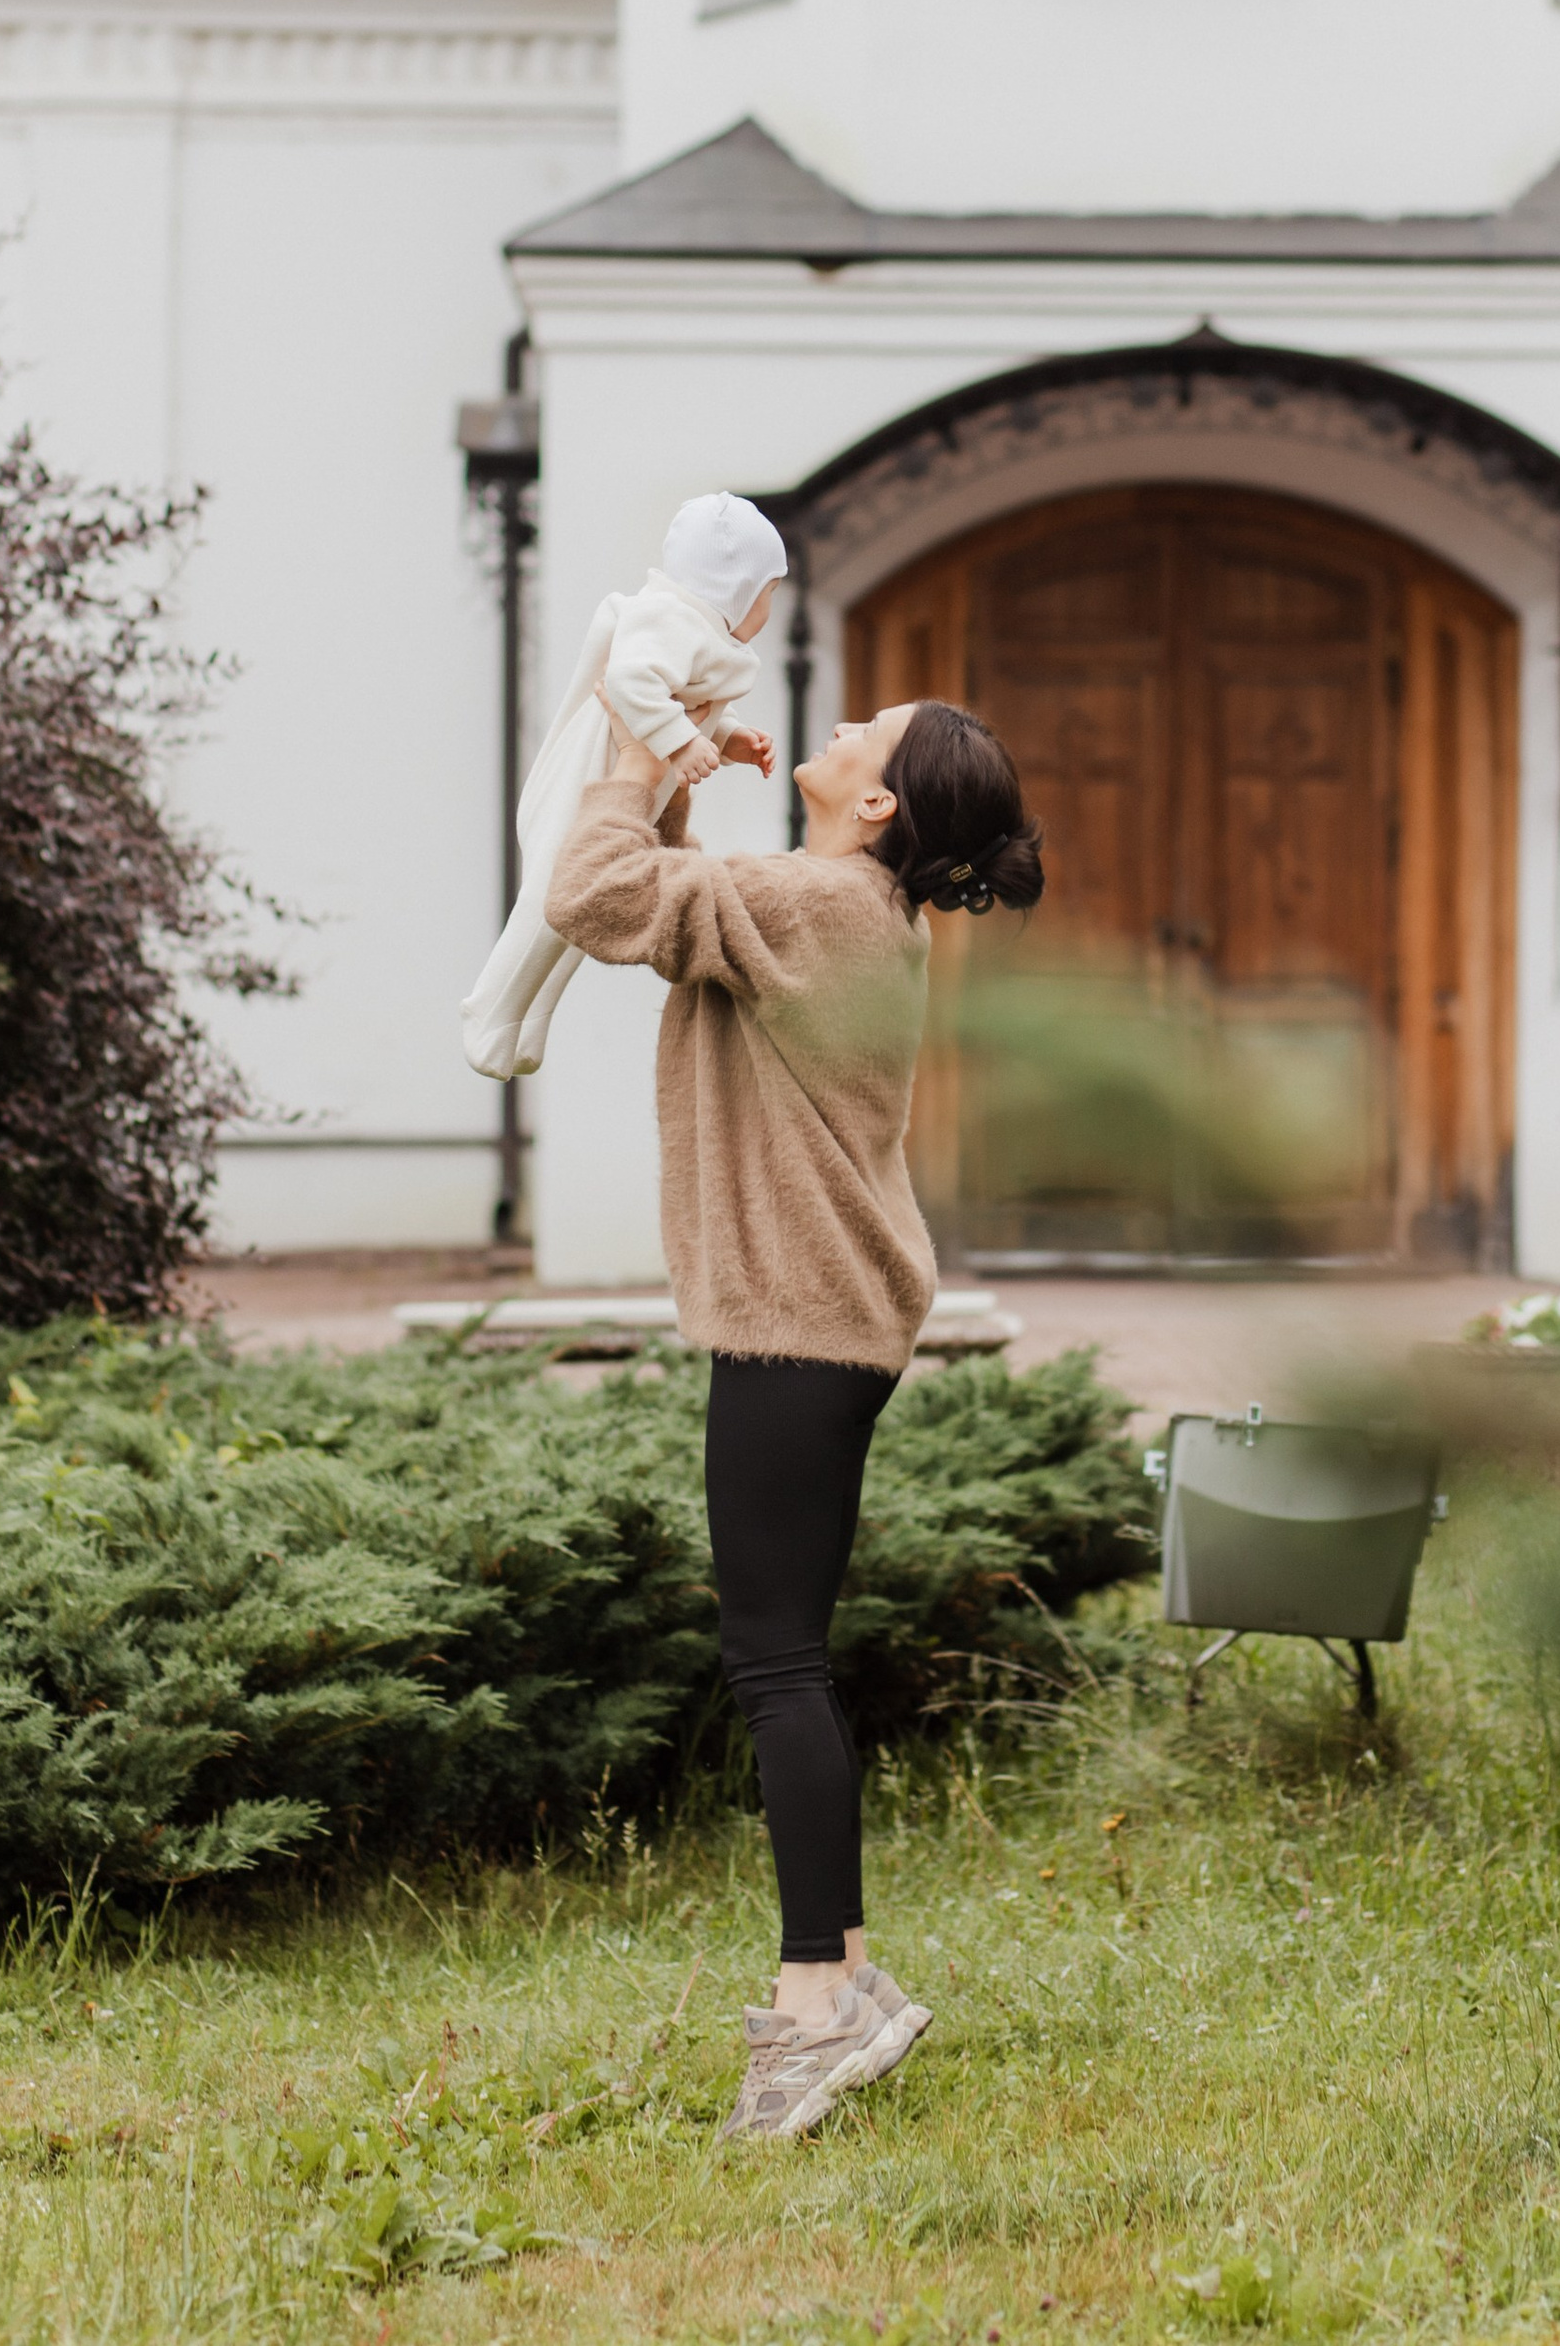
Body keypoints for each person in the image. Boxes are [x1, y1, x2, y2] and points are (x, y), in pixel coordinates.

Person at [545, 689, 1045, 2142]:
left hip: (801, 1317)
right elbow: (684, 908)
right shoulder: (840, 909)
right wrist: (682, 787)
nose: (836, 728)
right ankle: (857, 1979)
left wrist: (643, 757)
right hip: (824, 1311)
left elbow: (598, 896)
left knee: (775, 1667)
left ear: (878, 806)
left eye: (865, 733)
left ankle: (814, 2010)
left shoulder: (823, 906)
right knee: (785, 1658)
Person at [461, 491, 788, 1081]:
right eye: (767, 592)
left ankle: (529, 1018)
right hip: (588, 781)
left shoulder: (699, 635)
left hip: (624, 790)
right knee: (549, 898)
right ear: (736, 587)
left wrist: (727, 738)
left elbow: (682, 698)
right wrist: (683, 743)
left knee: (579, 915)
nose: (768, 608)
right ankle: (490, 1008)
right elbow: (634, 681)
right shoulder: (667, 618)